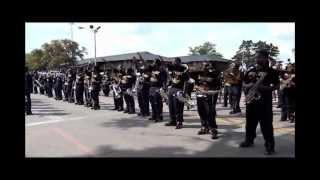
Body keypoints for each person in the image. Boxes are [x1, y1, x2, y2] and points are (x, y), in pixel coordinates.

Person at [240, 49, 279, 155]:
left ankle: (270, 146)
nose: (257, 59)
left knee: (266, 125)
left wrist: (264, 87)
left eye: (259, 57)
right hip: (251, 101)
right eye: (256, 57)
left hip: (265, 103)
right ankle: (249, 140)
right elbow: (244, 83)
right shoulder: (251, 70)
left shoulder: (272, 71)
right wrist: (249, 86)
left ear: (266, 58)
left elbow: (277, 86)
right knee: (250, 123)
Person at [195, 62, 222, 139]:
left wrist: (209, 88)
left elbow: (218, 86)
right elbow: (196, 84)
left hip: (209, 96)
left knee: (210, 112)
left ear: (209, 67)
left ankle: (213, 129)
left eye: (206, 66)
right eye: (202, 66)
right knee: (201, 111)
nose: (204, 67)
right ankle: (204, 127)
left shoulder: (214, 74)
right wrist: (198, 87)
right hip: (200, 95)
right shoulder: (198, 74)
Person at [165, 57, 190, 129]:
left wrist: (184, 93)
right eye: (173, 62)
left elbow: (186, 82)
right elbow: (171, 78)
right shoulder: (172, 70)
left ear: (179, 62)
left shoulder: (184, 70)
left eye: (175, 62)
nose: (174, 63)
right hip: (172, 89)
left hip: (179, 89)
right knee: (171, 106)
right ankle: (172, 121)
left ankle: (179, 122)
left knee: (178, 107)